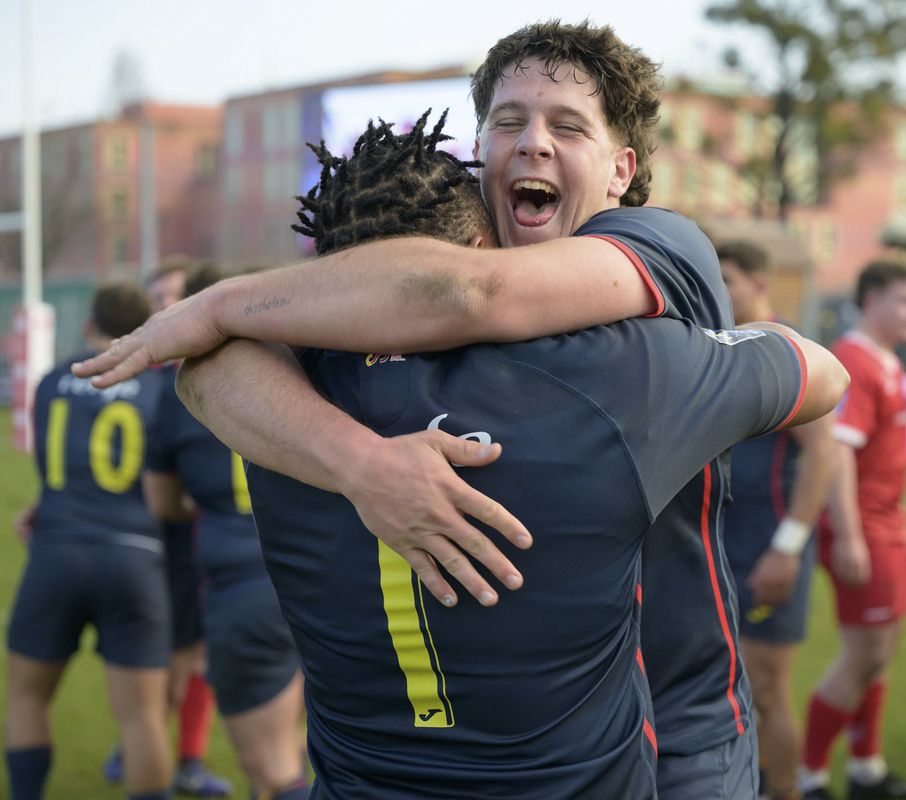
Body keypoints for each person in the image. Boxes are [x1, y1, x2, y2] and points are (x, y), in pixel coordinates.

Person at [74, 20, 835, 797]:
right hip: (589, 746)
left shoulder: (660, 244)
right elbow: (448, 297)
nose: (532, 141)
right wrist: (362, 464)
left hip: (672, 726)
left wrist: (223, 306)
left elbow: (469, 296)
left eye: (567, 125)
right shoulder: (606, 378)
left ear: (621, 170)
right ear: (477, 164)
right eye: (508, 122)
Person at [143, 268, 308, 800]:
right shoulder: (310, 361)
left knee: (273, 771)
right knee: (324, 755)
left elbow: (161, 501)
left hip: (245, 589)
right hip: (325, 580)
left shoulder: (183, 389)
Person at [5, 283, 173, 800]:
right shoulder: (159, 387)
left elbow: (54, 465)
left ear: (87, 325)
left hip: (56, 547)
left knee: (27, 697)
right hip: (136, 555)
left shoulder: (54, 379)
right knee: (143, 717)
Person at [103, 258, 232, 799]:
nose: (163, 308)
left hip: (190, 539)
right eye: (156, 298)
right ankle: (151, 746)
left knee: (192, 653)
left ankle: (184, 755)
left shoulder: (220, 373)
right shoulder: (148, 375)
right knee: (165, 654)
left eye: (172, 297)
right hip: (146, 537)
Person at [800, 261, 906, 800]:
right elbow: (840, 456)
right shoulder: (853, 360)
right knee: (863, 654)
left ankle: (866, 769)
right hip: (866, 529)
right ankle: (807, 776)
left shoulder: (887, 361)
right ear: (870, 300)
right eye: (904, 301)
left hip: (888, 525)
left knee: (879, 653)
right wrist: (851, 535)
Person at [715, 241, 836, 800]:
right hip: (719, 543)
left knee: (765, 687)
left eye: (728, 279)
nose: (718, 289)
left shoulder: (786, 348)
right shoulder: (714, 346)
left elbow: (824, 454)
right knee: (718, 687)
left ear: (759, 283)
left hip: (771, 546)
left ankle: (784, 789)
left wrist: (788, 547)